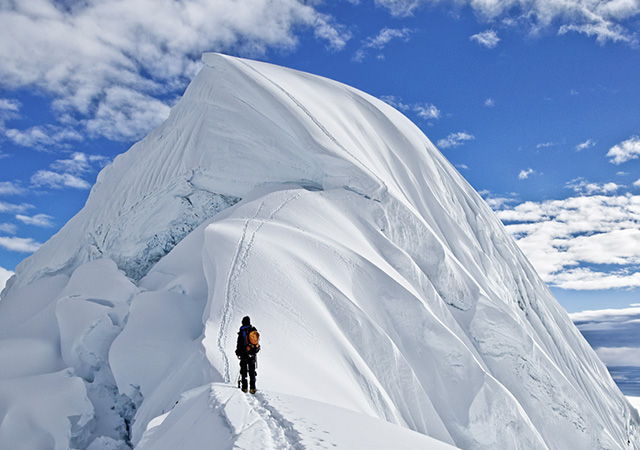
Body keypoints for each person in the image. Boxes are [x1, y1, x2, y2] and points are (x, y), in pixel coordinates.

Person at [235, 316, 260, 394]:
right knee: (252, 372)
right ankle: (253, 388)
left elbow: (239, 344)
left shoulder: (242, 331)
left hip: (244, 354)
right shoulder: (253, 331)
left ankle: (244, 388)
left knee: (244, 371)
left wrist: (238, 352)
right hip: (252, 354)